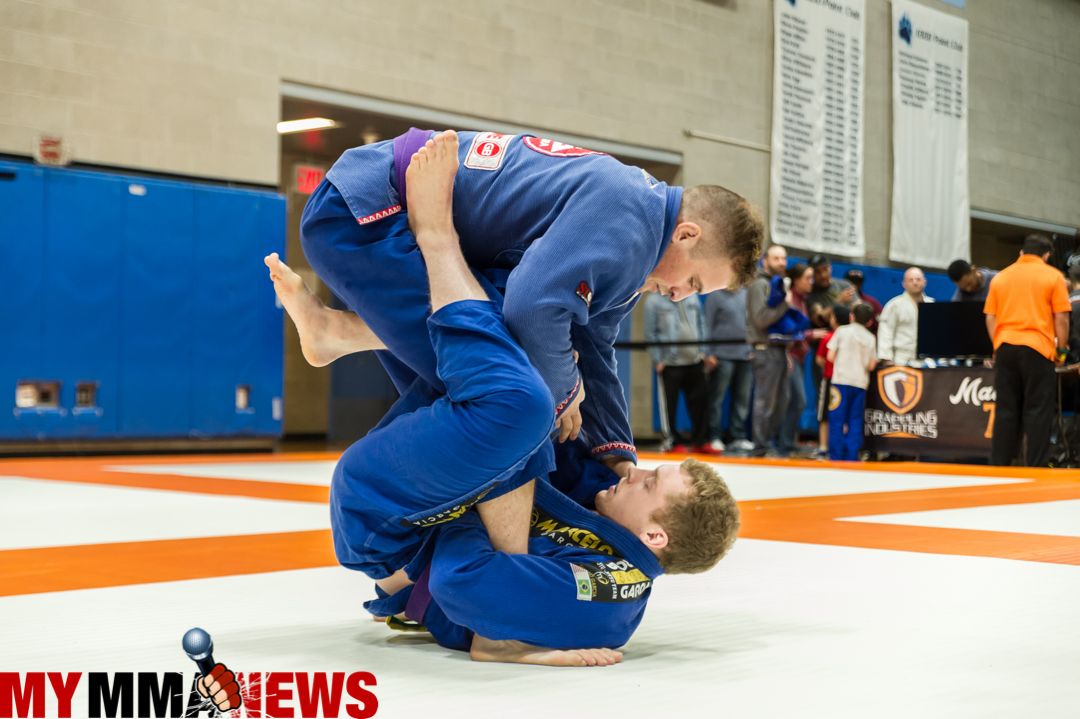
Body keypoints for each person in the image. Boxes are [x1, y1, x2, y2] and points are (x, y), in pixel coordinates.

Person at [270, 133, 741, 668]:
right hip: (367, 209)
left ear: (655, 534)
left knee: (524, 400)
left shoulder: (608, 597)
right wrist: (613, 447)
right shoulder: (607, 499)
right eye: (693, 282)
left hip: (385, 526)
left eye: (649, 484)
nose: (636, 475)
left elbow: (459, 580)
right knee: (521, 369)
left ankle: (429, 242)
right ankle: (342, 333)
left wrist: (479, 512)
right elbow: (587, 345)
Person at [984, 234, 1071, 467]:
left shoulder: (1001, 277)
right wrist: (1061, 352)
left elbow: (990, 317)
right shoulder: (1054, 276)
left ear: (1022, 252)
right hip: (1037, 348)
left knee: (1005, 409)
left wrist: (998, 345)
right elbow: (1061, 318)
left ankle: (999, 465)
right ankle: (1035, 466)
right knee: (1038, 410)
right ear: (1046, 255)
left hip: (1005, 347)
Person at [644, 291, 718, 454]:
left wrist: (703, 352)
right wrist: (658, 360)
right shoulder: (653, 301)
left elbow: (701, 323)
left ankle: (701, 441)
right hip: (670, 364)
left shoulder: (692, 296)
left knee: (700, 404)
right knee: (669, 407)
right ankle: (673, 441)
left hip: (695, 361)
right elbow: (650, 333)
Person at [747, 244, 793, 453]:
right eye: (776, 258)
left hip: (779, 349)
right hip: (765, 350)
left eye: (784, 258)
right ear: (764, 261)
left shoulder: (777, 284)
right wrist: (785, 304)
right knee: (765, 401)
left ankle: (767, 444)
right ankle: (760, 447)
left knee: (783, 400)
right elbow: (761, 319)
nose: (781, 263)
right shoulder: (759, 284)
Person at [777, 263, 822, 456]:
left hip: (801, 357)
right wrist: (813, 334)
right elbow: (791, 331)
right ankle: (784, 446)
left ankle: (787, 443)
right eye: (808, 278)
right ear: (796, 280)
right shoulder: (790, 300)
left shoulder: (803, 300)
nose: (812, 282)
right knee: (799, 401)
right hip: (791, 356)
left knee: (793, 401)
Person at [704, 287, 755, 453]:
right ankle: (715, 437)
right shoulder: (715, 296)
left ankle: (737, 437)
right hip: (721, 356)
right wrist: (709, 353)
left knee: (742, 399)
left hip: (744, 356)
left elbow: (752, 323)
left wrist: (752, 348)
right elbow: (707, 324)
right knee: (716, 399)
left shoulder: (746, 294)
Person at [826, 304, 878, 461]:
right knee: (855, 420)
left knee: (837, 420)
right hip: (860, 383)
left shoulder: (842, 331)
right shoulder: (871, 338)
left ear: (851, 316)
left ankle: (836, 456)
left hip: (840, 382)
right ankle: (851, 457)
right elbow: (872, 365)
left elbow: (830, 356)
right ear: (870, 322)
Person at [877, 267, 933, 367]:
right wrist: (887, 358)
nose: (915, 283)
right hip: (901, 360)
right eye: (911, 280)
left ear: (925, 282)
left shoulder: (931, 304)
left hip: (927, 361)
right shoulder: (894, 305)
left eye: (918, 279)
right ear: (904, 283)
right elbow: (886, 332)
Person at [815, 304, 850, 456]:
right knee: (845, 414)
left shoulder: (828, 337)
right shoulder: (850, 337)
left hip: (830, 379)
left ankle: (823, 447)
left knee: (824, 415)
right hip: (846, 381)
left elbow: (819, 359)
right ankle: (843, 447)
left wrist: (829, 365)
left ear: (834, 319)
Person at [844, 268, 881, 333]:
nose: (855, 286)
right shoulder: (840, 301)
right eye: (851, 282)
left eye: (858, 282)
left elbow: (878, 328)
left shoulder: (872, 303)